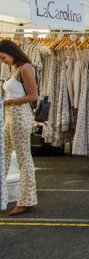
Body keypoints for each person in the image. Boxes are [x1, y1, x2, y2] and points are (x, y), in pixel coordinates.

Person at [0, 40, 39, 216]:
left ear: (11, 52)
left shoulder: (25, 68)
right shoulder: (14, 69)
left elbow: (33, 95)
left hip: (19, 115)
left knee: (23, 158)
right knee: (5, 156)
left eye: (3, 57)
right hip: (10, 115)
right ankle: (6, 196)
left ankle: (26, 200)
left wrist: (10, 102)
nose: (3, 61)